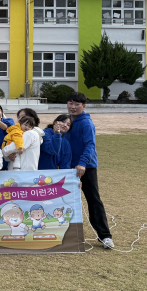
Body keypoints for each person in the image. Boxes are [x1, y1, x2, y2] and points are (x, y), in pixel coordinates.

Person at [63, 92, 114, 249]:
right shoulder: (67, 122)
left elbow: (90, 145)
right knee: (65, 200)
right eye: (70, 103)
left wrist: (83, 163)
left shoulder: (86, 123)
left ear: (83, 106)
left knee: (93, 200)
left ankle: (105, 236)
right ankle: (64, 233)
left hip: (86, 168)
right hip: (69, 168)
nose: (73, 106)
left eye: (77, 104)